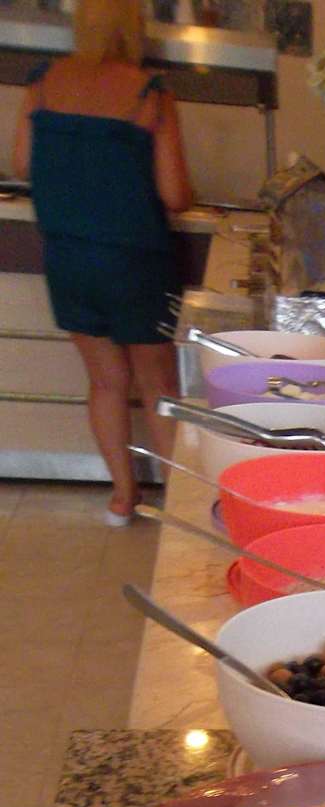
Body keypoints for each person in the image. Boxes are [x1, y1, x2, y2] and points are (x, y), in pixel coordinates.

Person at [10, 0, 193, 524]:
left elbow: (21, 165)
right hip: (137, 262)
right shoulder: (150, 91)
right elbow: (175, 194)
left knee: (106, 382)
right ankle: (182, 513)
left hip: (69, 258)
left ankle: (122, 498)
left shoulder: (42, 82)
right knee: (159, 388)